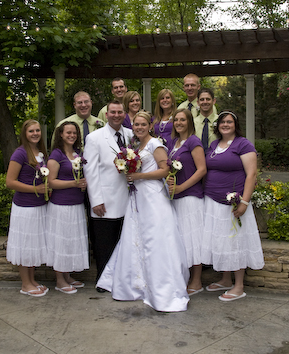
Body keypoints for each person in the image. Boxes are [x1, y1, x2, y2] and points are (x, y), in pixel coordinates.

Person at [97, 111, 189, 312]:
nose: (139, 127)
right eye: (136, 124)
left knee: (154, 239)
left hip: (153, 196)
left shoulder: (156, 145)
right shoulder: (135, 147)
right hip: (137, 197)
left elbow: (164, 170)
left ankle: (161, 288)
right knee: (136, 237)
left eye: (142, 124)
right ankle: (136, 284)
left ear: (150, 126)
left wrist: (138, 176)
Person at [201, 111, 264, 301]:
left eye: (229, 122)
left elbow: (251, 174)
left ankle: (239, 286)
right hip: (213, 201)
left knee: (235, 241)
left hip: (233, 203)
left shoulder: (243, 144)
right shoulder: (214, 145)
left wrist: (244, 202)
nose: (225, 124)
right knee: (222, 241)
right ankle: (226, 279)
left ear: (236, 125)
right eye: (222, 122)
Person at [84, 100, 133, 286]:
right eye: (113, 112)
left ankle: (122, 281)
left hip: (128, 199)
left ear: (124, 114)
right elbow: (90, 171)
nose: (116, 115)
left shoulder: (131, 135)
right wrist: (96, 200)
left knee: (124, 243)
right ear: (106, 115)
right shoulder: (94, 138)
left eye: (120, 112)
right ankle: (103, 282)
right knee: (104, 244)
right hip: (105, 201)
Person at [6, 119, 49, 297]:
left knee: (33, 245)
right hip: (25, 207)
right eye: (31, 131)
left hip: (40, 207)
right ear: (24, 133)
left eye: (37, 130)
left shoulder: (41, 153)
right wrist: (35, 189)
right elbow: (10, 182)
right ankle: (25, 284)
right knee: (25, 245)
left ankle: (32, 280)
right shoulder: (20, 153)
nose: (35, 134)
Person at [46, 121, 89, 294]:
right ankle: (59, 280)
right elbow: (51, 182)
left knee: (71, 241)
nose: (72, 135)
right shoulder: (56, 155)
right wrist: (74, 183)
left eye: (74, 133)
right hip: (61, 206)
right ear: (61, 135)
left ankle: (68, 275)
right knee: (61, 242)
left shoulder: (78, 153)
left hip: (76, 204)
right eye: (68, 133)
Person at [167, 110, 206, 295]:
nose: (178, 123)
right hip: (176, 198)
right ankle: (183, 276)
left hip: (190, 197)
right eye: (176, 120)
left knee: (193, 239)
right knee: (182, 240)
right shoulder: (174, 143)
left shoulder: (193, 141)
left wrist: (181, 187)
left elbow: (201, 169)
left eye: (182, 119)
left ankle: (196, 281)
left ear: (189, 122)